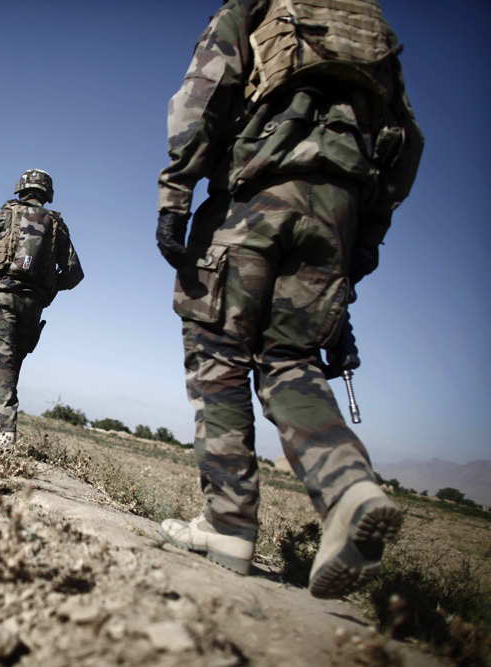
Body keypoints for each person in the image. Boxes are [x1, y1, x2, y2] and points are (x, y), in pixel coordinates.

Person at [154, 0, 423, 599]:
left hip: (255, 194)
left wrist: (176, 188)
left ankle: (228, 524)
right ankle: (349, 488)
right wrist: (362, 242)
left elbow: (206, 87)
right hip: (338, 215)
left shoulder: (259, 5)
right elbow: (405, 145)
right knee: (289, 360)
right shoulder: (375, 30)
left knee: (218, 348)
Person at [0, 169, 84, 449]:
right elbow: (74, 274)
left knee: (0, 369)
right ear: (47, 194)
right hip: (33, 308)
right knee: (7, 370)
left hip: (2, 301)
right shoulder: (57, 226)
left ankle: (6, 433)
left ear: (20, 190)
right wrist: (48, 287)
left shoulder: (4, 216)